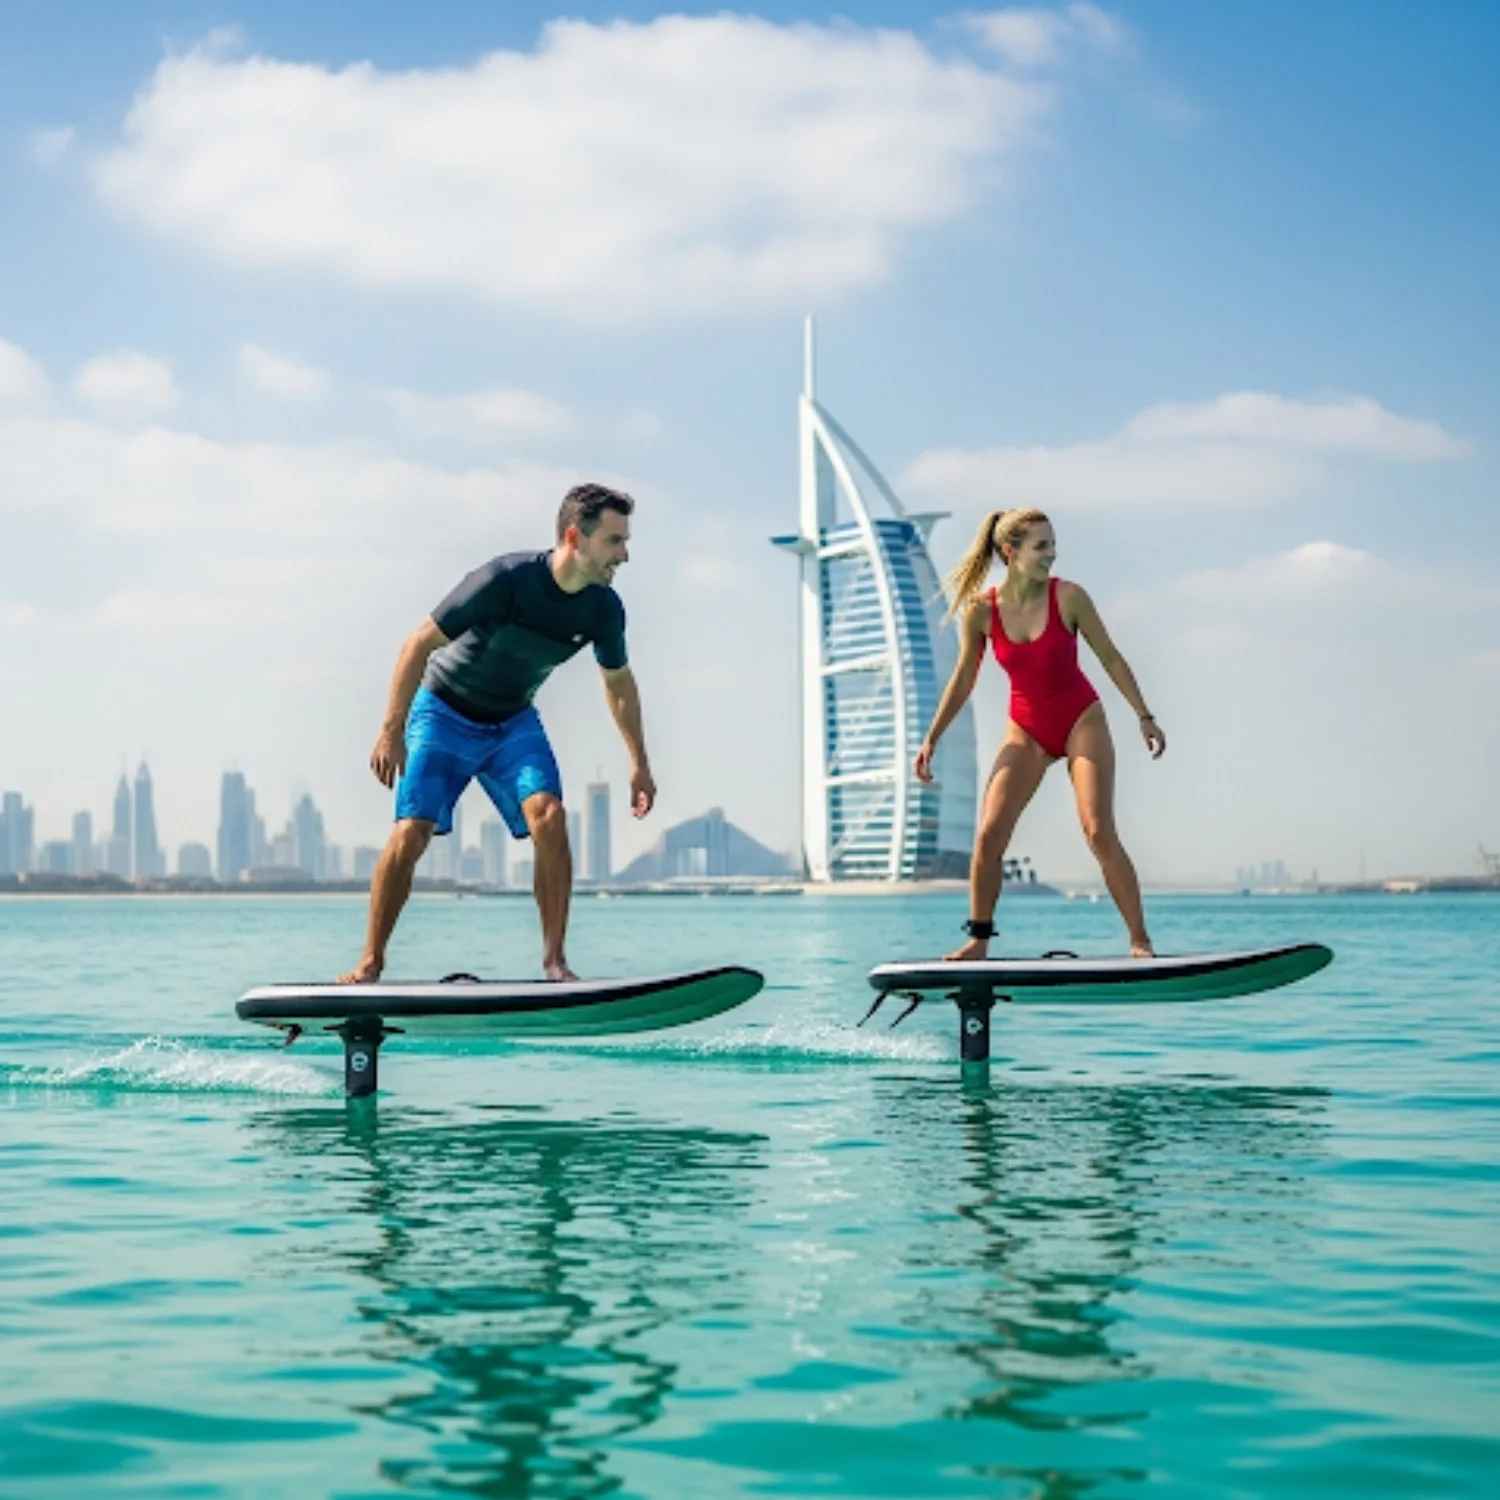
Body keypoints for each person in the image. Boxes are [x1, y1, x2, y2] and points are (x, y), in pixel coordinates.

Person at [339, 483, 655, 984]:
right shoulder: (505, 579)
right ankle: (370, 961)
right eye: (615, 542)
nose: (625, 555)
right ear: (575, 537)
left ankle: (555, 962)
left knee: (549, 816)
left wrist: (638, 761)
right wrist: (390, 730)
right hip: (443, 712)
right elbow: (418, 644)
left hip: (512, 722)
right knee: (411, 831)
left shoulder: (603, 609)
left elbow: (618, 683)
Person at [914, 507, 1164, 961]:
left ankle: (1140, 940)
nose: (1053, 553)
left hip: (1079, 721)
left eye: (1053, 543)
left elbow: (1109, 657)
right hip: (1025, 730)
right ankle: (978, 940)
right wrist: (932, 737)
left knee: (1097, 830)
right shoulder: (982, 610)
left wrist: (1144, 715)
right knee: (989, 834)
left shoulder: (1069, 597)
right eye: (1041, 546)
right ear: (1010, 552)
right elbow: (963, 677)